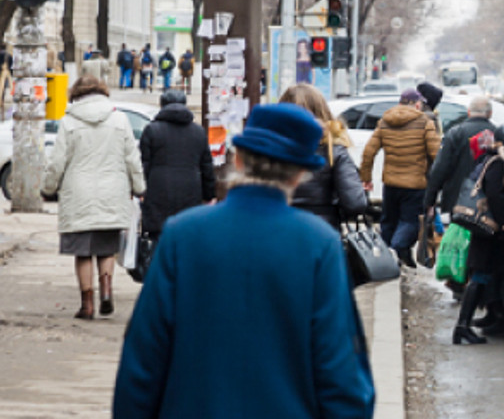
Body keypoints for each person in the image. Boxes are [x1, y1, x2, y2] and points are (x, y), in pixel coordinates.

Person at [112, 103, 376, 418]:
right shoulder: (319, 244)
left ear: (238, 159)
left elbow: (144, 354)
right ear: (300, 175)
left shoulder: (183, 235)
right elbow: (340, 367)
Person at [40, 76, 145, 320]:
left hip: (78, 194)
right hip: (113, 192)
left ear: (76, 94)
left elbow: (57, 163)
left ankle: (87, 305)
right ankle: (106, 291)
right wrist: (139, 187)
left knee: (83, 251)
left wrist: (48, 187)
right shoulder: (120, 119)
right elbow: (132, 158)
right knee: (107, 248)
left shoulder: (68, 122)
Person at [449, 128, 504, 345]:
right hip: (490, 232)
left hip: (485, 231)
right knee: (480, 277)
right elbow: (494, 195)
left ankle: (491, 321)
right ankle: (462, 327)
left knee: (486, 275)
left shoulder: (488, 158)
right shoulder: (498, 163)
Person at [360, 89, 441, 267]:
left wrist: (366, 177)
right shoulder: (424, 122)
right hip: (415, 184)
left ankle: (386, 256)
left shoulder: (385, 121)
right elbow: (436, 154)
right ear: (417, 104)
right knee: (410, 221)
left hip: (390, 183)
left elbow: (369, 152)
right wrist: (438, 180)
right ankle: (398, 247)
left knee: (388, 219)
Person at [281, 83, 369, 229]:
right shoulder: (333, 150)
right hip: (321, 231)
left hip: (278, 230)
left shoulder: (270, 146)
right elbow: (355, 203)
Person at [139, 90, 216, 239]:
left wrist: (141, 191)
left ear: (162, 105)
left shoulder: (152, 130)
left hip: (157, 191)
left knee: (158, 238)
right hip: (190, 191)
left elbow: (144, 165)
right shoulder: (198, 132)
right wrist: (209, 195)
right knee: (186, 237)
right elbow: (207, 167)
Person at [424, 96, 497, 224]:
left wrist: (430, 201)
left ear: (469, 112)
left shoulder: (455, 133)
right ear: (490, 114)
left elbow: (440, 169)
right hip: (489, 202)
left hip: (457, 201)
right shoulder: (497, 135)